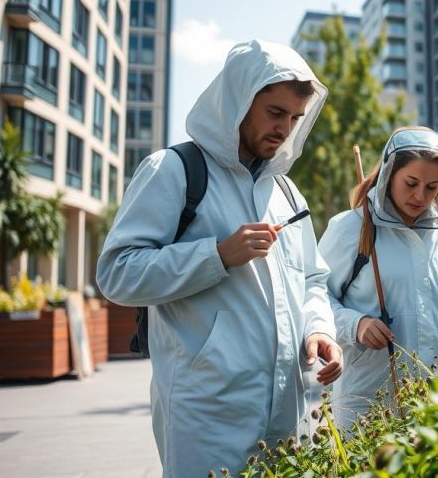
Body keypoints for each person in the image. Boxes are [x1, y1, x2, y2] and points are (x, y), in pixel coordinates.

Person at [96, 40, 343, 477]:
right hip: (207, 410)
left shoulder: (286, 192)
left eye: (295, 118)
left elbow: (313, 281)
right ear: (238, 101)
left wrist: (319, 329)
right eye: (274, 113)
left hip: (291, 408)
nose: (285, 129)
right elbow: (117, 273)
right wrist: (216, 255)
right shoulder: (172, 170)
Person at [319, 127, 438, 428]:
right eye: (411, 183)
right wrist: (355, 324)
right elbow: (314, 298)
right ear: (389, 174)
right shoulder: (351, 229)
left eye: (432, 187)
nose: (420, 196)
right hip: (370, 404)